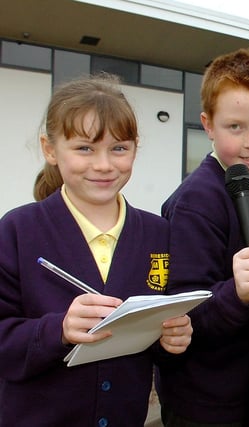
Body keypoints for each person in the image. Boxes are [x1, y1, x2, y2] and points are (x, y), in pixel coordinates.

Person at [0, 74, 193, 427]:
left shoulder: (159, 234)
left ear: (135, 147)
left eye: (119, 148)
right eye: (85, 148)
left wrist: (173, 340)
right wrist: (57, 329)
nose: (104, 165)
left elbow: (162, 345)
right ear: (50, 148)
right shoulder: (16, 230)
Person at [154, 48, 249, 427]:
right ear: (208, 125)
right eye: (235, 127)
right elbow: (182, 315)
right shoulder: (194, 203)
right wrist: (238, 291)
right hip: (206, 403)